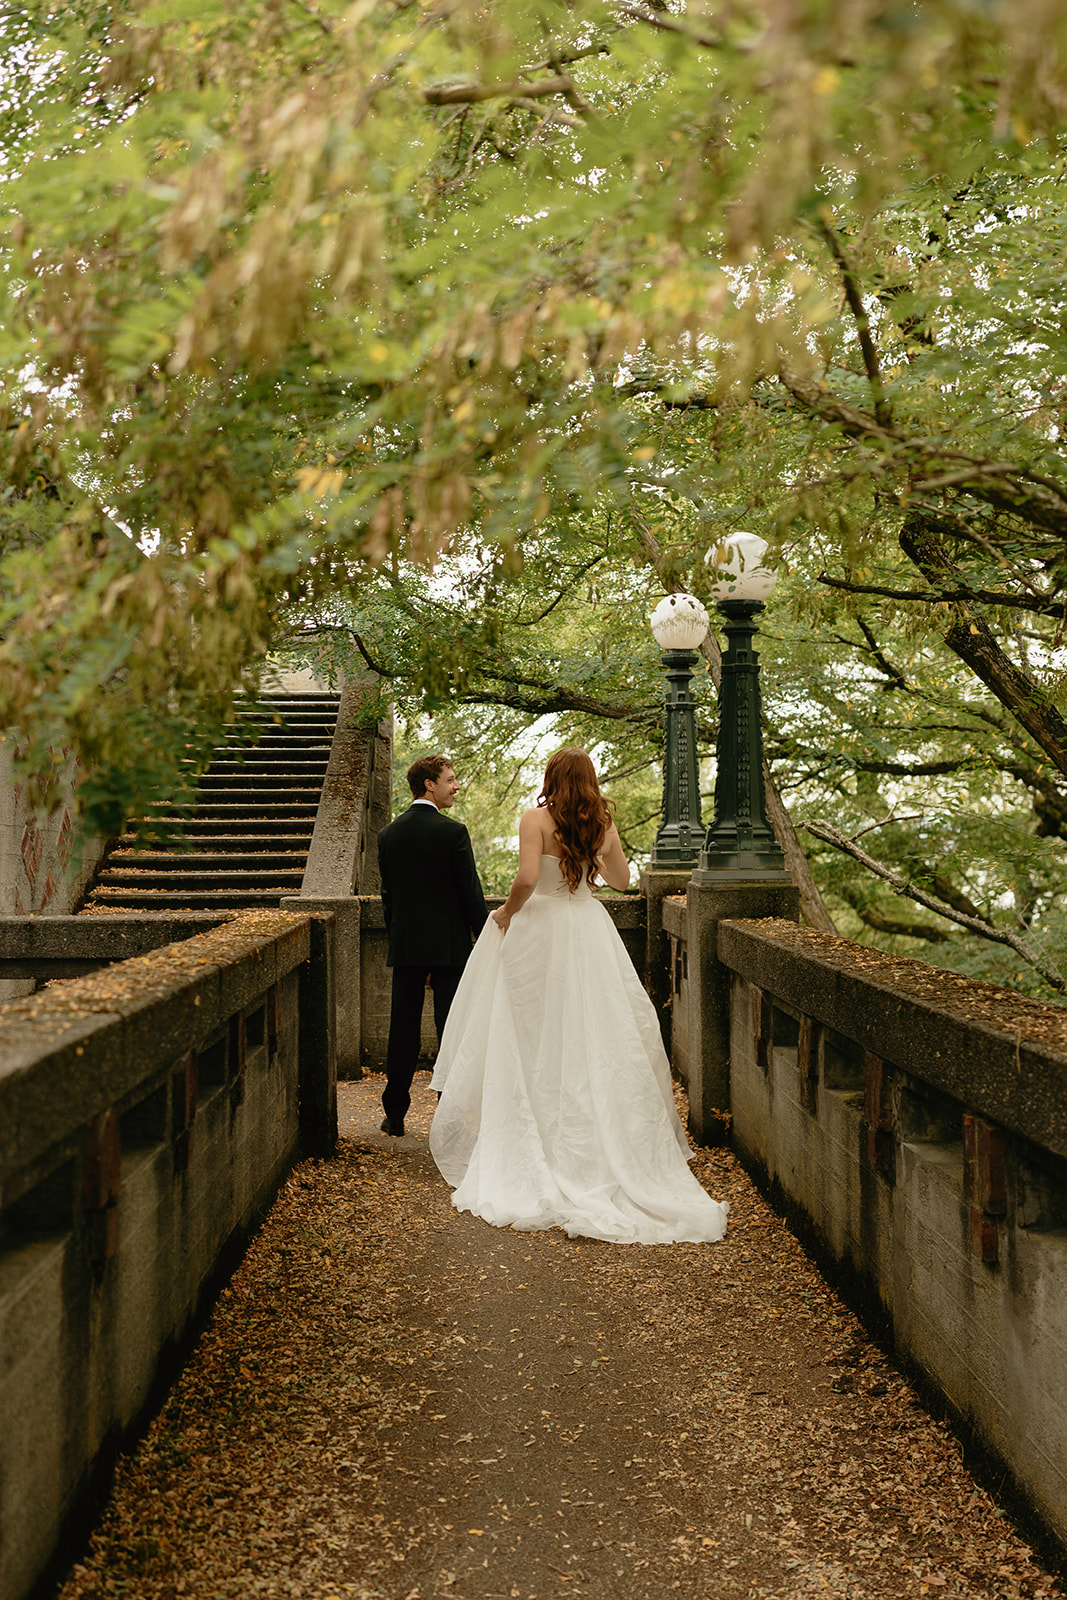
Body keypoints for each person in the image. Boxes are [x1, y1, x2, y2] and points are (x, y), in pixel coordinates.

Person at [429, 748, 728, 1245]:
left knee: (533, 1036)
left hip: (540, 930)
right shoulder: (601, 823)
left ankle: (539, 1141)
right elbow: (621, 881)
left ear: (551, 778)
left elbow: (526, 879)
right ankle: (598, 1147)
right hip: (587, 927)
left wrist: (506, 912)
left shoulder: (536, 818)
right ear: (589, 782)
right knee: (596, 1032)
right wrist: (597, 851)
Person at [377, 754, 488, 1137]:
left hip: (407, 947)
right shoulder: (453, 833)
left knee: (402, 1030)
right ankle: (450, 1117)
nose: (456, 786)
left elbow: (388, 898)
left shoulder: (388, 835)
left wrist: (402, 941)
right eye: (451, 779)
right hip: (450, 949)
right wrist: (488, 938)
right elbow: (470, 895)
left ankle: (395, 1114)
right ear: (430, 784)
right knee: (451, 1029)